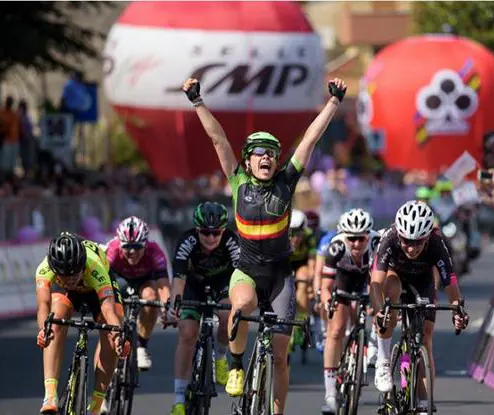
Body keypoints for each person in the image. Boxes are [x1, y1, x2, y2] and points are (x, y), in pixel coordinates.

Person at [181, 75, 346, 415]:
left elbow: (310, 140)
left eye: (272, 153)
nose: (266, 158)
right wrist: (197, 101)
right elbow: (218, 140)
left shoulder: (287, 180)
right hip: (247, 270)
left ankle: (276, 410)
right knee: (240, 309)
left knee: (281, 357)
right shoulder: (238, 180)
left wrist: (333, 102)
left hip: (280, 275)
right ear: (248, 160)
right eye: (259, 153)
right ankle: (237, 363)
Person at [370, 201, 468, 414]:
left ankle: (424, 399)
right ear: (399, 236)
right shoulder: (389, 239)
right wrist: (379, 311)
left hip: (423, 279)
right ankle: (384, 361)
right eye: (406, 242)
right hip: (395, 275)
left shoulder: (437, 243)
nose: (412, 248)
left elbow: (450, 281)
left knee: (426, 337)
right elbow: (375, 283)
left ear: (427, 237)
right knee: (390, 296)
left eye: (418, 242)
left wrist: (456, 308)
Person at [35, 232, 127, 415]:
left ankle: (97, 402)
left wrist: (118, 335)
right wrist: (44, 329)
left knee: (112, 329)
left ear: (82, 264)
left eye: (74, 273)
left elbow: (108, 308)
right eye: (64, 274)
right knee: (53, 322)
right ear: (54, 267)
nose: (70, 279)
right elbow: (43, 305)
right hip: (67, 295)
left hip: (95, 290)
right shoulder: (44, 269)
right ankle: (50, 395)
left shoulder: (94, 266)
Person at [165, 202, 240, 415]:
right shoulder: (186, 242)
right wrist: (174, 306)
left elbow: (240, 279)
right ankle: (179, 398)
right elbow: (178, 279)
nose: (210, 238)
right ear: (197, 230)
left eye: (216, 233)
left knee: (228, 314)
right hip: (193, 285)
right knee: (187, 333)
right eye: (205, 233)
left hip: (223, 282)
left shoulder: (232, 242)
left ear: (223, 230)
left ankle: (221, 356)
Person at [319, 209, 381, 413]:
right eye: (351, 239)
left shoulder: (376, 243)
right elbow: (326, 287)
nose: (356, 244)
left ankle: (369, 341)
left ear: (368, 235)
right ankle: (330, 393)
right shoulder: (336, 247)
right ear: (344, 236)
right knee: (336, 330)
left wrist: (376, 303)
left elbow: (379, 280)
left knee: (376, 306)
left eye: (361, 238)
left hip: (368, 279)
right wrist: (328, 301)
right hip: (343, 280)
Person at [105, 216, 170, 370]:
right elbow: (101, 283)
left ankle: (142, 346)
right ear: (120, 244)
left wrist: (166, 307)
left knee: (151, 297)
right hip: (119, 279)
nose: (132, 251)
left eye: (137, 247)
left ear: (145, 244)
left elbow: (163, 286)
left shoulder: (155, 252)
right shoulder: (112, 251)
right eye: (127, 247)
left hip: (144, 280)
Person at [288, 209, 317, 353]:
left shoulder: (309, 236)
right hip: (285, 263)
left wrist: (311, 285)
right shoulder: (281, 237)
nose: (295, 238)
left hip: (301, 264)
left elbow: (312, 263)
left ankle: (300, 321)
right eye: (291, 233)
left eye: (298, 233)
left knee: (304, 279)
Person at [313, 226, 340, 352]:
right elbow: (318, 272)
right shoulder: (327, 240)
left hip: (345, 274)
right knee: (325, 298)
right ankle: (324, 329)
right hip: (328, 272)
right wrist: (318, 296)